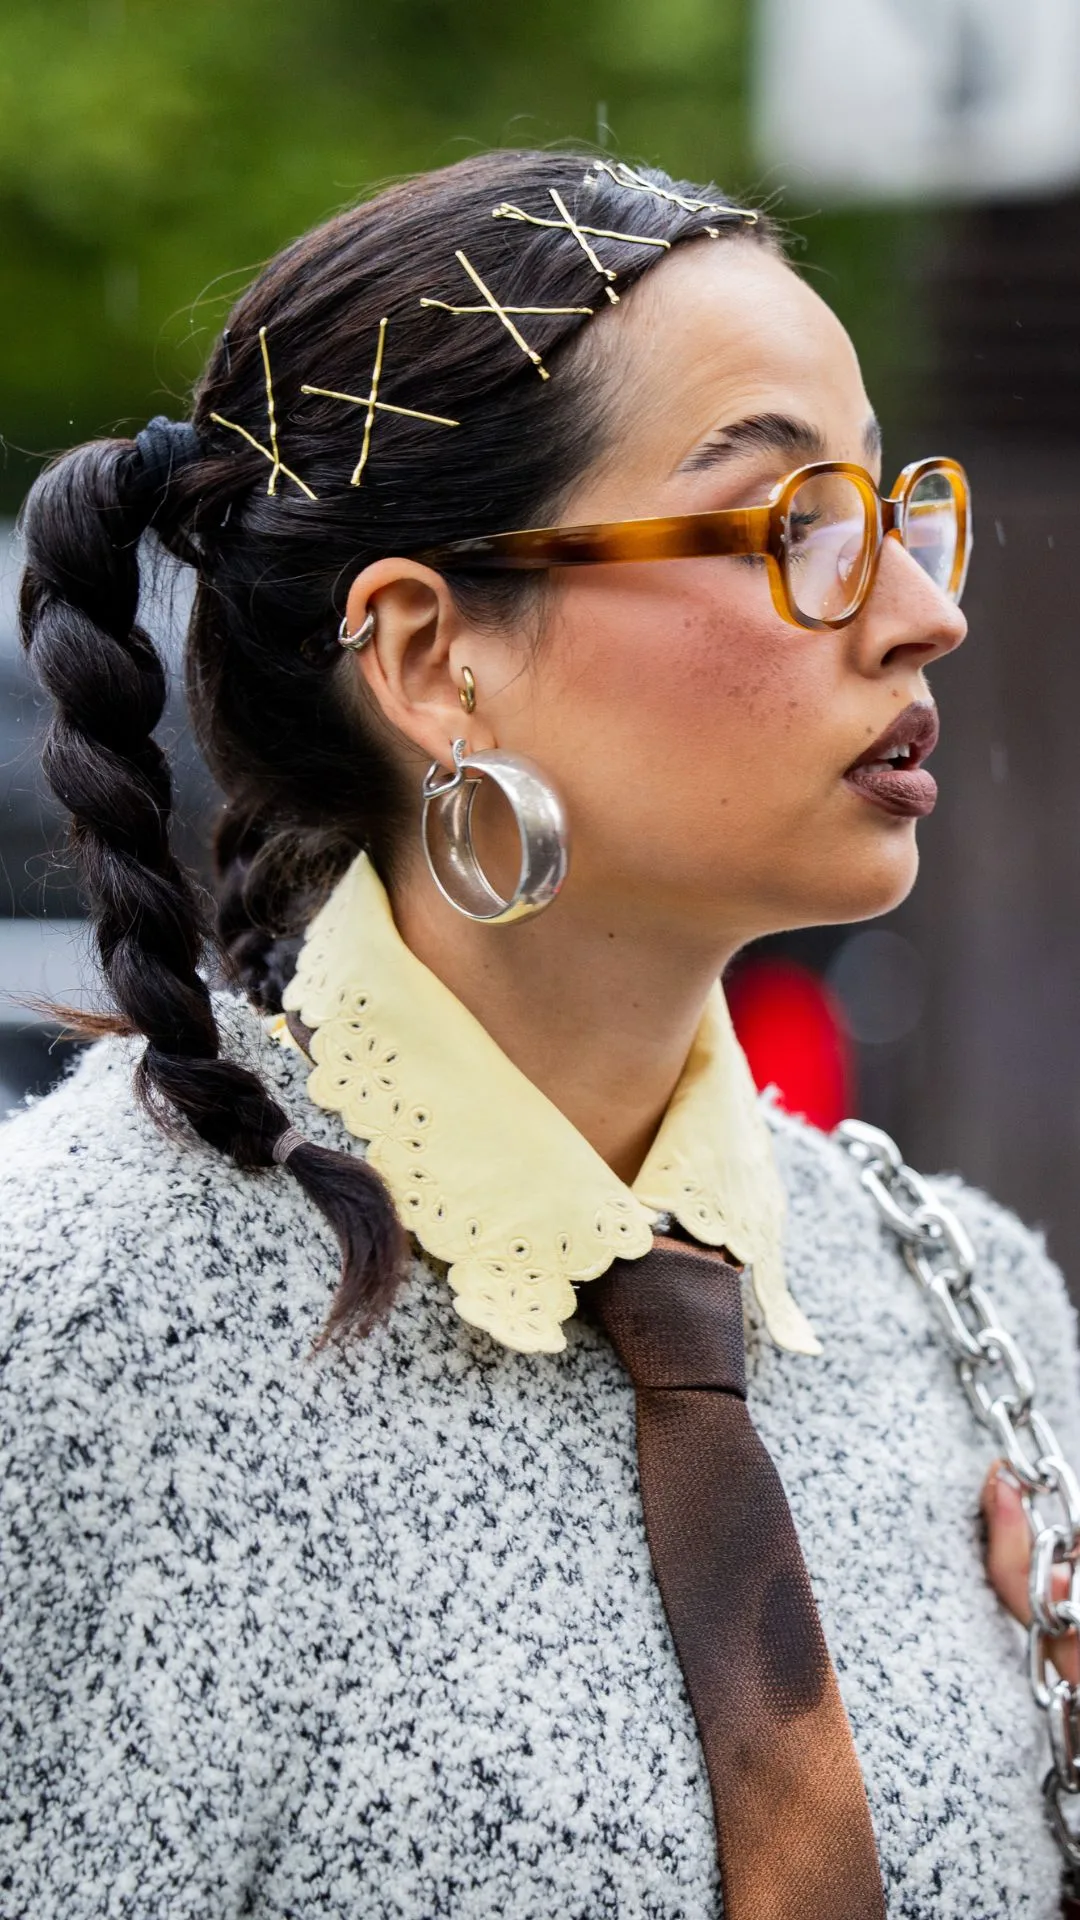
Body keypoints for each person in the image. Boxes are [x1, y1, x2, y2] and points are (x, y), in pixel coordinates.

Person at [4, 149, 1080, 1919]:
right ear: (434, 659)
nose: (922, 608)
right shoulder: (63, 1334)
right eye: (792, 525)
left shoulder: (967, 1310)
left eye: (895, 509)